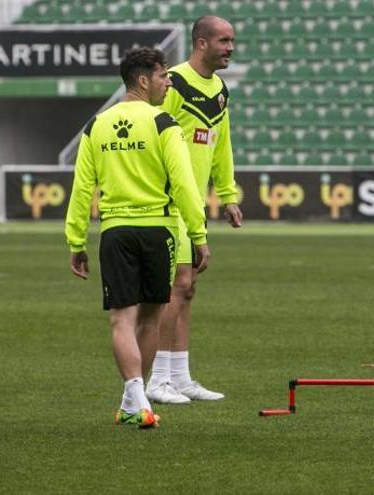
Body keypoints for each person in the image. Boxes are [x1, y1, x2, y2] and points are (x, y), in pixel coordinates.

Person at [64, 47, 210, 428]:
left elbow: (82, 189)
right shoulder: (164, 123)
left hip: (116, 231)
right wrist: (198, 235)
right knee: (149, 319)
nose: (168, 83)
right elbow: (184, 185)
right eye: (163, 76)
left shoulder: (97, 125)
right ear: (143, 80)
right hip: (158, 231)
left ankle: (134, 397)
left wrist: (76, 241)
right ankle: (135, 398)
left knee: (121, 320)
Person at [146, 15, 243, 405]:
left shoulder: (219, 88)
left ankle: (180, 376)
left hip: (193, 204)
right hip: (168, 200)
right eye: (223, 40)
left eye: (232, 40)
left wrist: (228, 194)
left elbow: (222, 145)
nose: (230, 48)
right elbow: (149, 127)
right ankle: (158, 379)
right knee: (176, 286)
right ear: (201, 43)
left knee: (187, 289)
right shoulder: (174, 82)